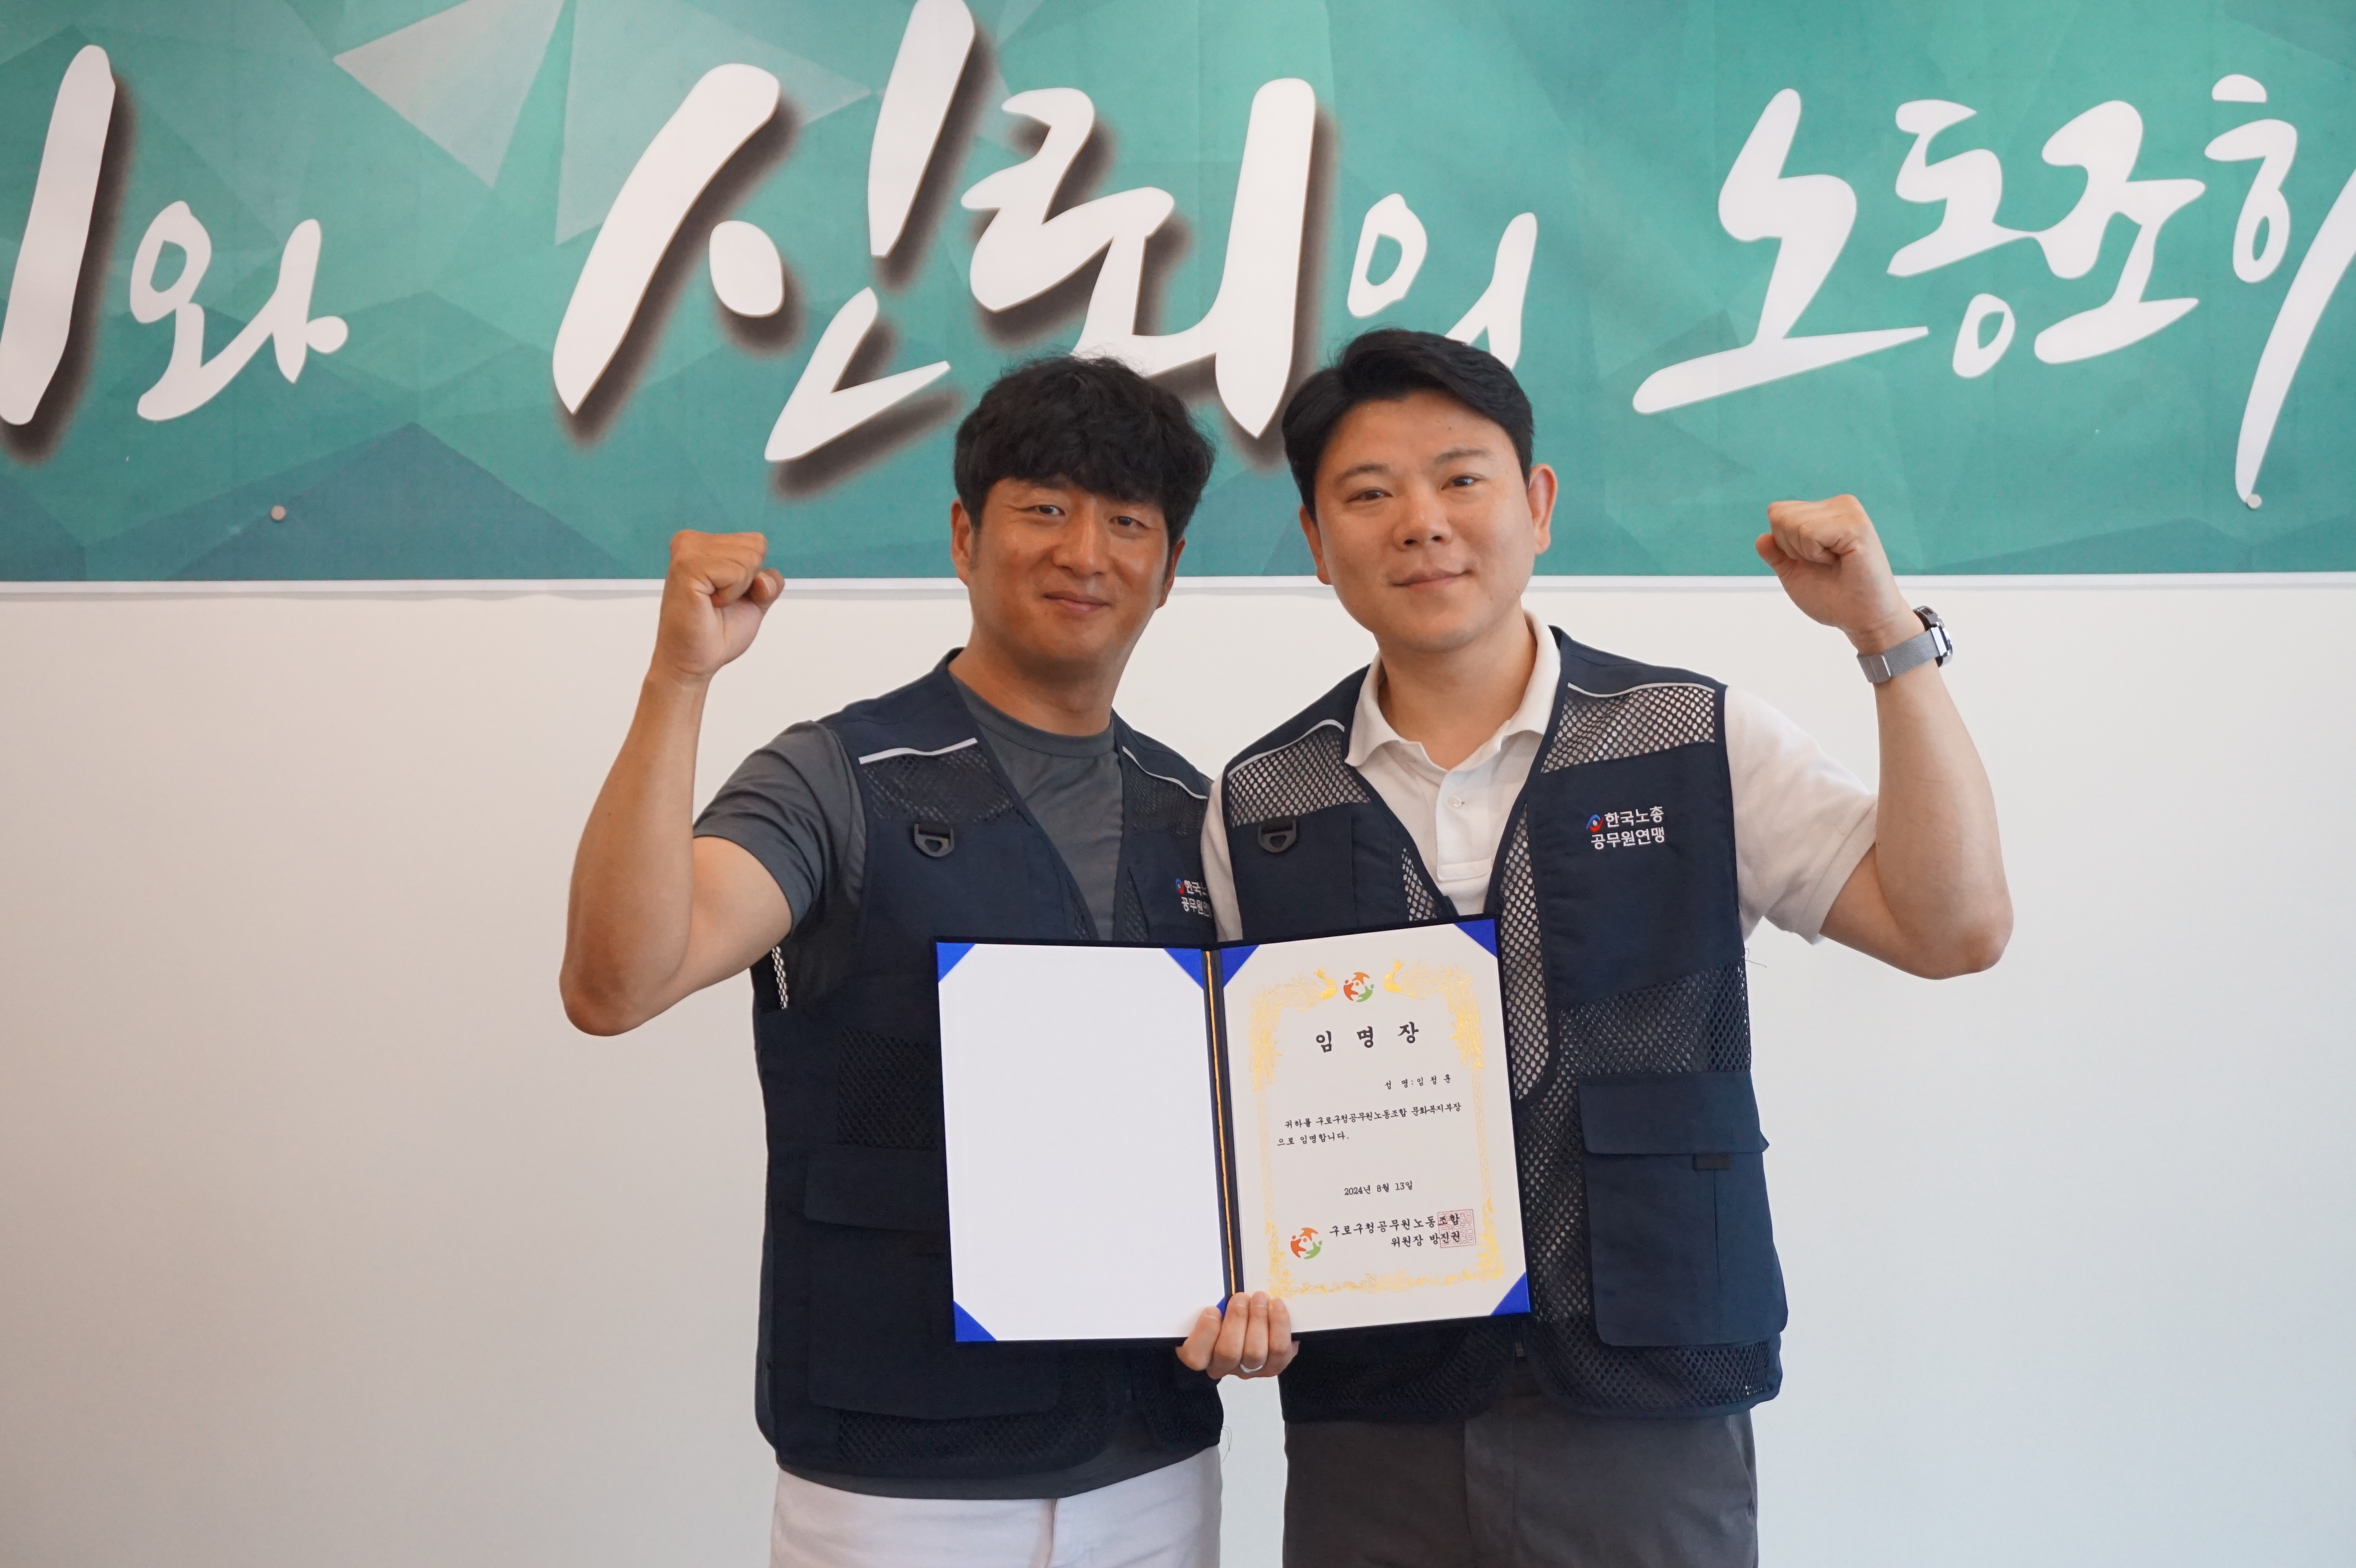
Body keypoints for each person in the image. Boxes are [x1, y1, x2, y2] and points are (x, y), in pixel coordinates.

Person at [1201, 329, 2011, 1568]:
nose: (1422, 522)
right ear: (1317, 541)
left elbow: (1955, 927)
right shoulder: (1262, 799)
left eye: (1461, 479)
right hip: (1374, 1416)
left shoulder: (1695, 738)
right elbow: (1230, 1123)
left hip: (1650, 1400)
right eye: (1368, 494)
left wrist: (1885, 636)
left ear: (1537, 505)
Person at [560, 355, 1295, 1568]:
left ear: (1168, 572)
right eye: (1045, 508)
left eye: (1128, 522)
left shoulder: (1199, 813)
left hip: (1154, 1465)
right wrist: (680, 679)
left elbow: (1249, 1130)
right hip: (897, 1484)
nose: (1086, 552)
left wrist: (1272, 1284)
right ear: (965, 536)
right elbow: (617, 982)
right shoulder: (835, 780)